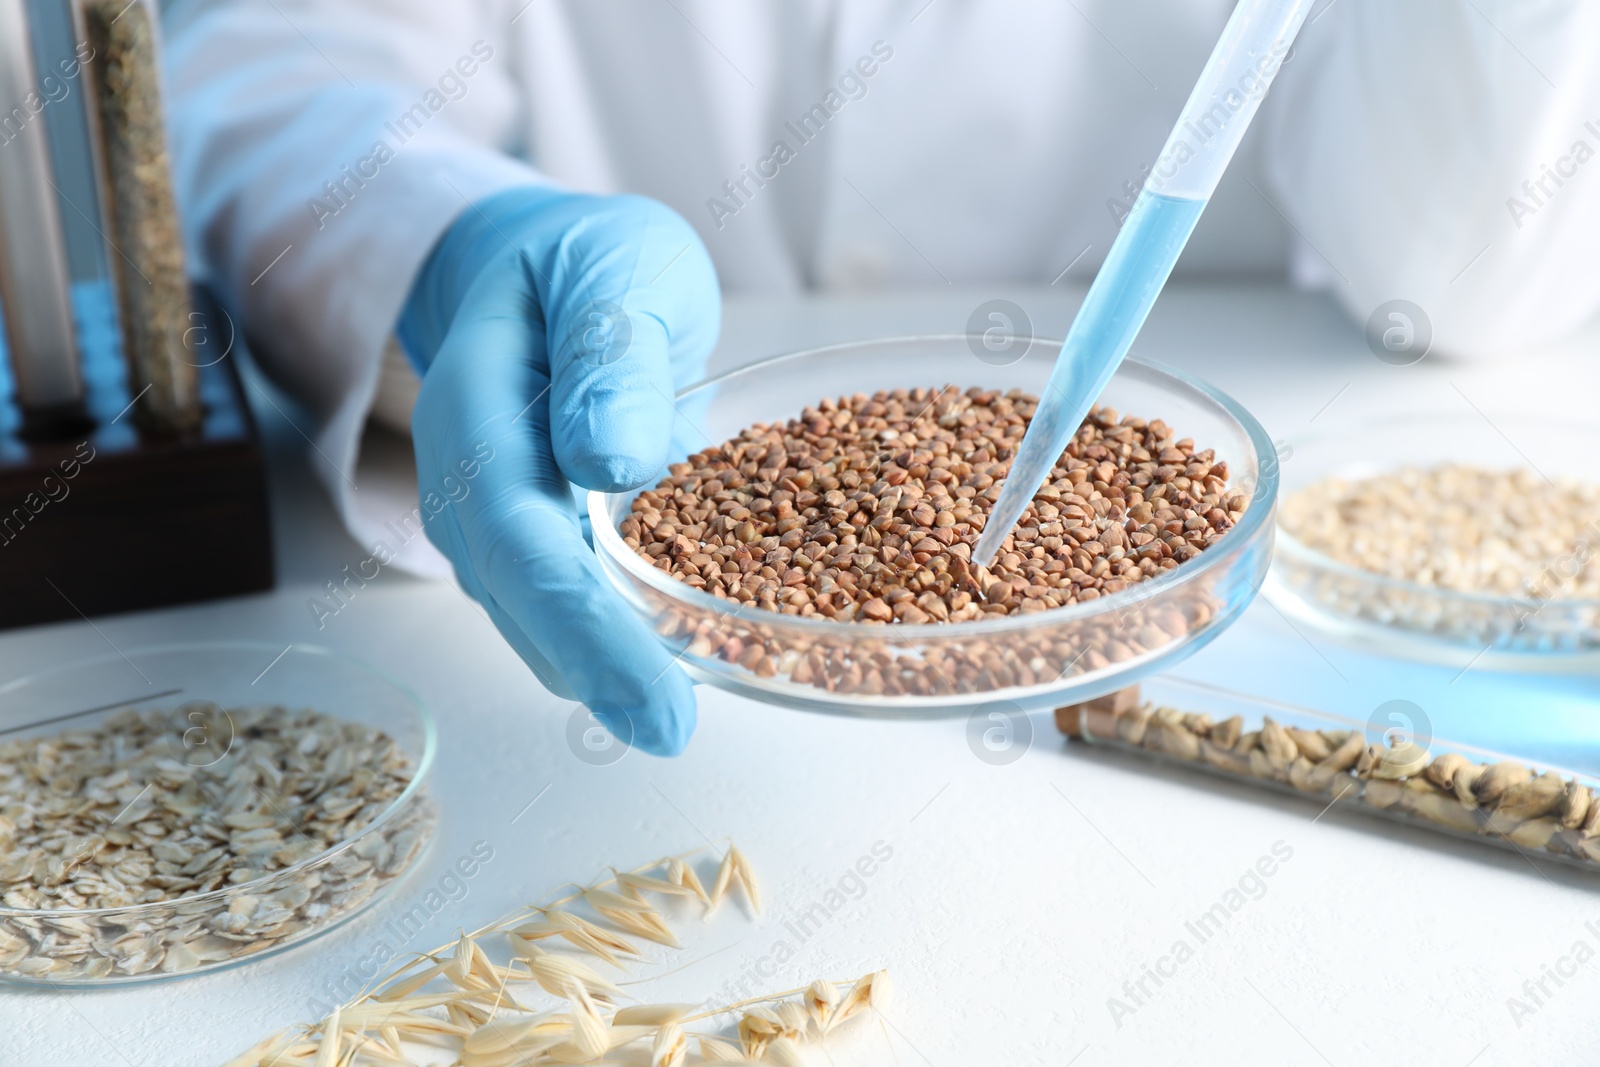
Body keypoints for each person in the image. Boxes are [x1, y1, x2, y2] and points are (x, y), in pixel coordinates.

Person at [161, 1, 1600, 755]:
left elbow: (1465, 268)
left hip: (1253, 666)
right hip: (612, 513)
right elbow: (265, 64)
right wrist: (450, 236)